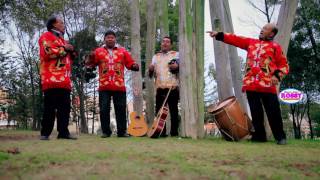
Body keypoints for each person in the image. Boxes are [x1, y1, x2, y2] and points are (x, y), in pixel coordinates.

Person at [207, 23, 289, 145]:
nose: (262, 29)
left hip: (267, 86)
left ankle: (280, 137)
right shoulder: (251, 43)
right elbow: (236, 39)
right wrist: (219, 35)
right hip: (251, 84)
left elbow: (284, 65)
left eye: (266, 29)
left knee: (273, 112)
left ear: (271, 34)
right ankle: (260, 137)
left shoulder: (275, 47)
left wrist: (276, 75)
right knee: (256, 112)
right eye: (263, 27)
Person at [86, 30, 139, 138]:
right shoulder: (98, 51)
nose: (110, 39)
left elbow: (130, 63)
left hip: (119, 85)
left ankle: (122, 132)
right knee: (104, 108)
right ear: (104, 39)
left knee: (120, 108)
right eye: (108, 37)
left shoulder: (123, 51)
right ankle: (106, 132)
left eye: (112, 37)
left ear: (115, 39)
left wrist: (134, 65)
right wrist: (90, 58)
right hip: (104, 85)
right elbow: (90, 64)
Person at [39, 16, 77, 140]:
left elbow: (69, 58)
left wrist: (72, 51)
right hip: (51, 78)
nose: (63, 25)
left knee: (64, 108)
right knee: (50, 107)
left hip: (65, 80)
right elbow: (47, 52)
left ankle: (63, 133)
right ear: (54, 24)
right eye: (61, 22)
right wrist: (65, 49)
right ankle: (45, 133)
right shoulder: (46, 36)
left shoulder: (63, 40)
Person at [148, 36, 180, 137]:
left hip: (172, 87)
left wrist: (177, 66)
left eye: (167, 42)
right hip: (160, 88)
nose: (165, 43)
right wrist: (150, 69)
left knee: (174, 111)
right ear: (161, 44)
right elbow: (150, 74)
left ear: (170, 45)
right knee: (159, 112)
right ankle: (161, 132)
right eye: (163, 41)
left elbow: (179, 67)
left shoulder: (176, 54)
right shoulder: (155, 56)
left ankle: (174, 133)